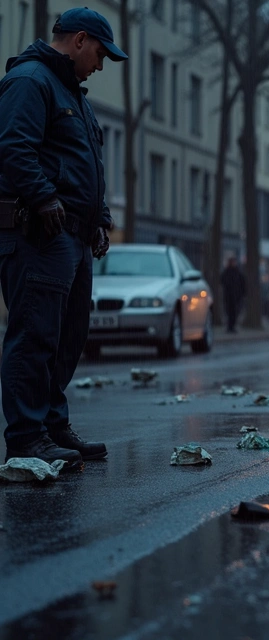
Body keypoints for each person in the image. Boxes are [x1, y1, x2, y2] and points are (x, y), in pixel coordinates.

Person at [0, 8, 128, 467]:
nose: (100, 64)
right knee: (34, 336)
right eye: (99, 53)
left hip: (72, 237)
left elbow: (88, 167)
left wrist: (100, 217)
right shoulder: (31, 81)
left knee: (67, 339)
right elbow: (13, 147)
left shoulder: (75, 94)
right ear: (78, 40)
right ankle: (26, 437)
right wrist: (43, 198)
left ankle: (53, 427)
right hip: (40, 236)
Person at [220, 256, 246, 333]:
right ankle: (230, 326)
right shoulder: (228, 272)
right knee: (230, 312)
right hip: (230, 296)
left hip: (235, 296)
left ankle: (232, 326)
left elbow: (242, 284)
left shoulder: (237, 272)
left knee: (234, 312)